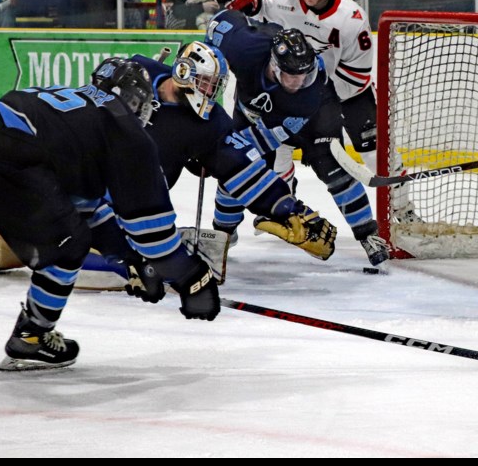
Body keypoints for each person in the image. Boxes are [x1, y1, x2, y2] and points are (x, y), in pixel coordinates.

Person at [0, 57, 220, 393]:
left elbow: (85, 210)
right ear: (134, 100)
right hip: (6, 161)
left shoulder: (63, 103)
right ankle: (32, 337)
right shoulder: (121, 126)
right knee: (68, 246)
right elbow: (153, 233)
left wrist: (132, 262)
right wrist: (191, 279)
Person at [84, 41, 340, 295]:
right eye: (205, 82)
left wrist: (288, 209)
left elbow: (243, 166)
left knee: (119, 254)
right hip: (75, 184)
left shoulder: (208, 124)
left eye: (214, 85)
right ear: (183, 72)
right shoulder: (134, 72)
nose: (209, 91)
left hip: (127, 214)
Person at [203, 7, 390, 267]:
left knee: (332, 168)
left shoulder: (309, 93)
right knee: (235, 170)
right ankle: (223, 233)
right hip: (251, 111)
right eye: (292, 75)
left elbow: (272, 136)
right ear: (274, 65)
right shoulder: (245, 46)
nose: (299, 81)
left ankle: (368, 234)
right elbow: (219, 21)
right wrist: (206, 59)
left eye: (304, 74)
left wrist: (229, 152)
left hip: (316, 114)